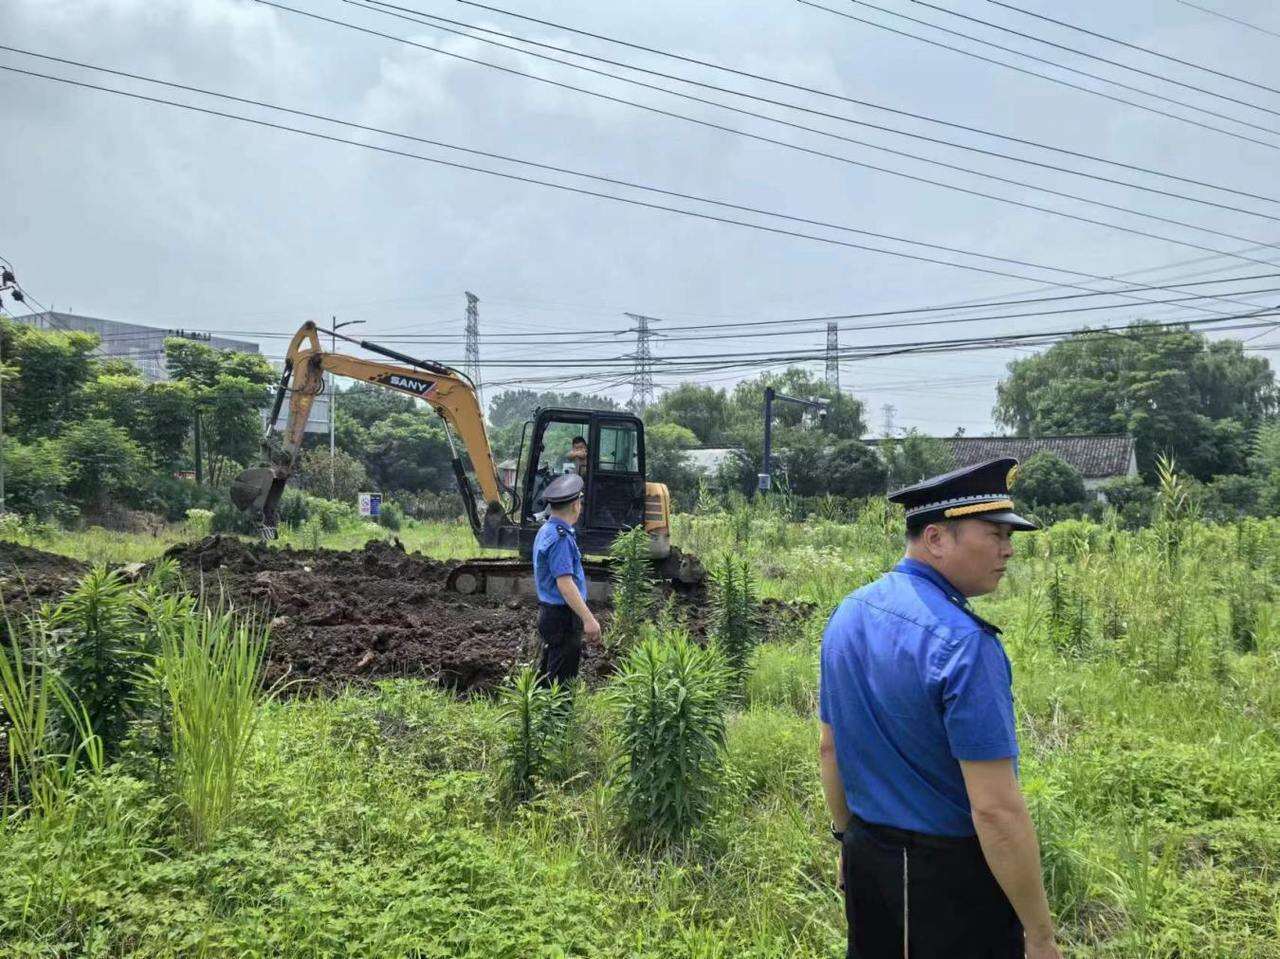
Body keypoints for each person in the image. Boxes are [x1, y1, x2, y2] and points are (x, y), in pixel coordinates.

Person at [818, 458, 1062, 959]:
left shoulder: (850, 613)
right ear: (935, 538)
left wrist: (845, 840)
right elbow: (995, 810)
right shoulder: (964, 645)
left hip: (868, 857)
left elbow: (830, 748)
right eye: (993, 534)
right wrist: (1039, 935)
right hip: (944, 878)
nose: (1008, 549)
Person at [531, 472, 601, 686]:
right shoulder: (561, 539)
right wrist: (589, 619)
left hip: (550, 613)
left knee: (548, 674)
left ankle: (539, 715)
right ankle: (554, 718)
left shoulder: (546, 530)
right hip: (563, 617)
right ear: (575, 505)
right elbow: (565, 584)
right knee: (561, 683)